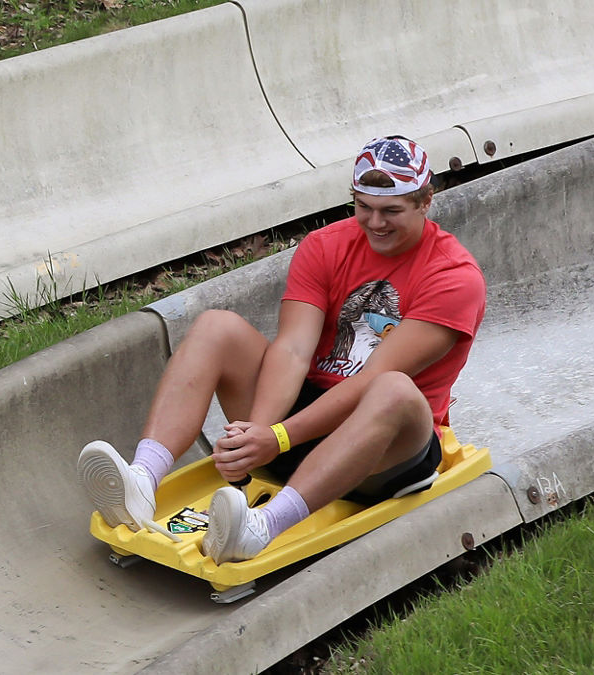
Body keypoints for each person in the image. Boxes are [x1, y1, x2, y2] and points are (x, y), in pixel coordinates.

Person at [76, 136, 486, 562]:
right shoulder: (326, 245)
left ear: (425, 202)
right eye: (364, 207)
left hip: (385, 452)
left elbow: (371, 379)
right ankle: (142, 481)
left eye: (391, 211)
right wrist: (260, 433)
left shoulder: (455, 277)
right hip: (302, 424)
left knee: (394, 388)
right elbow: (292, 350)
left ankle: (261, 528)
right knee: (217, 327)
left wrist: (279, 438)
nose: (375, 222)